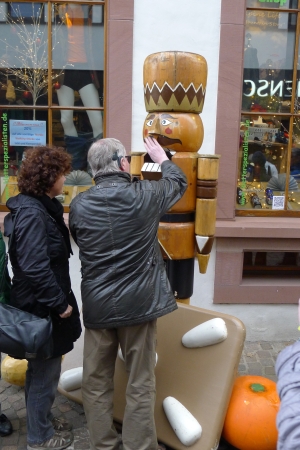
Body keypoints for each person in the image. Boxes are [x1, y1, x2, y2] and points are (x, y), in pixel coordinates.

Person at [69, 137, 187, 450]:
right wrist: (161, 158)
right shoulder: (145, 194)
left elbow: (80, 239)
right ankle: (140, 447)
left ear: (93, 169)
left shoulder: (79, 204)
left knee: (95, 383)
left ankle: (105, 446)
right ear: (123, 163)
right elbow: (178, 181)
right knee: (140, 380)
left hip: (98, 306)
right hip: (140, 304)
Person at [3, 146, 82, 450]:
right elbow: (35, 267)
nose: (65, 178)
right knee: (45, 373)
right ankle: (40, 437)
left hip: (42, 302)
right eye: (62, 173)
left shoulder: (38, 206)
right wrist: (59, 304)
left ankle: (41, 422)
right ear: (49, 177)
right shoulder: (34, 213)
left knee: (41, 369)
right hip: (43, 307)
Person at [57, 3, 103, 170]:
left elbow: (98, 41)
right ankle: (76, 161)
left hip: (86, 69)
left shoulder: (91, 10)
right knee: (65, 119)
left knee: (96, 118)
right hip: (65, 70)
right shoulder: (58, 11)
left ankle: (97, 161)